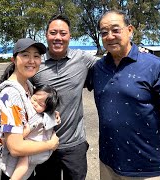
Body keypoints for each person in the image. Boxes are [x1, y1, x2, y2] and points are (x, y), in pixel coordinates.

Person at [86, 10, 160, 179]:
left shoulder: (155, 66)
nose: (109, 36)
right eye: (104, 32)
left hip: (145, 167)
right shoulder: (98, 68)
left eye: (116, 30)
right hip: (107, 163)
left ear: (130, 30)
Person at [30, 14, 99, 180]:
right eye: (53, 33)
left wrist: (138, 53)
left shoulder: (83, 59)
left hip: (74, 145)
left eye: (63, 33)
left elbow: (112, 64)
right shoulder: (35, 63)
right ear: (46, 35)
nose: (58, 38)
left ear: (70, 36)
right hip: (43, 143)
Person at [0, 38, 59, 180]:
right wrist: (50, 144)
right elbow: (16, 148)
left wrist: (49, 115)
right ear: (14, 60)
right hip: (12, 170)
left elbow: (29, 114)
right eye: (25, 55)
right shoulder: (11, 94)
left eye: (36, 56)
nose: (32, 60)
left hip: (26, 169)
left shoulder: (27, 85)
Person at [11, 85, 60, 180]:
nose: (35, 104)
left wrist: (12, 140)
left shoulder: (36, 118)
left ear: (47, 109)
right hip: (45, 149)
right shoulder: (49, 115)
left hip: (38, 149)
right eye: (34, 99)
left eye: (41, 105)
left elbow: (23, 133)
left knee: (23, 160)